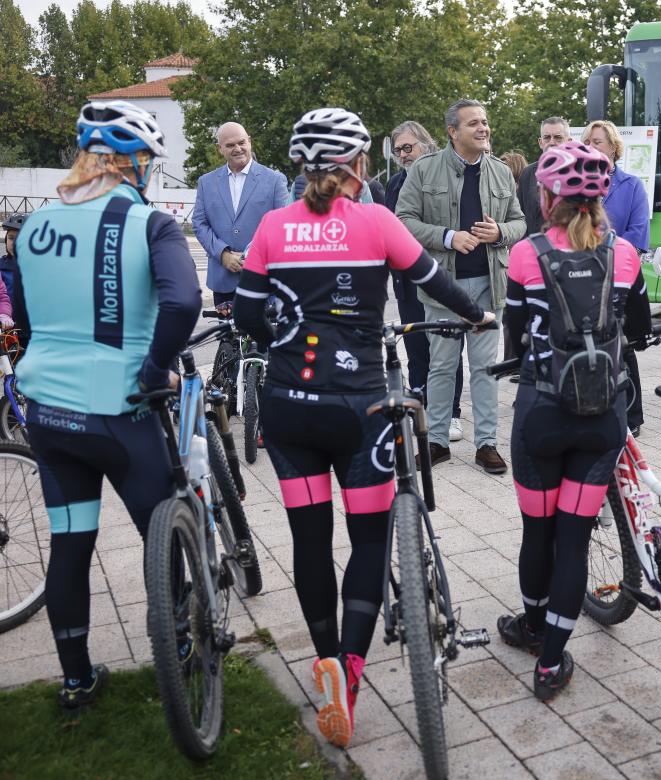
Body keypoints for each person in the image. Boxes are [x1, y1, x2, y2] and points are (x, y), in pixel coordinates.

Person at [233, 107, 493, 748]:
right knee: (369, 540)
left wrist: (288, 343)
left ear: (303, 167)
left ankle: (323, 663)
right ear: (356, 166)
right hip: (363, 410)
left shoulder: (272, 225)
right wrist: (481, 320)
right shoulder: (376, 220)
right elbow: (436, 282)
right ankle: (350, 672)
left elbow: (247, 317)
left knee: (309, 540)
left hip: (291, 410)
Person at [12, 100, 201, 709]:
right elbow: (181, 304)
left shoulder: (35, 224)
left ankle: (76, 679)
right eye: (147, 159)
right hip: (119, 409)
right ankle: (177, 651)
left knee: (71, 541)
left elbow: (29, 314)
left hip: (46, 409)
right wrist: (152, 372)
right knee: (162, 533)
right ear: (131, 161)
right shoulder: (148, 220)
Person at [496, 140, 651, 701]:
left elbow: (514, 332)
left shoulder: (525, 254)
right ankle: (552, 664)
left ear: (545, 196)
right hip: (601, 415)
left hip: (540, 412)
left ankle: (532, 627)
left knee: (537, 532)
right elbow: (635, 328)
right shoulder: (625, 253)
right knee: (575, 538)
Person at [395, 99, 526, 474]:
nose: (483, 129)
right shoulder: (423, 170)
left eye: (485, 122)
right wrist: (448, 237)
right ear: (452, 131)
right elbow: (402, 221)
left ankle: (486, 445)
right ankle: (436, 443)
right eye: (474, 124)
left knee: (485, 368)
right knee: (442, 367)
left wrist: (501, 232)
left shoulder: (501, 171)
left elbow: (520, 222)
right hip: (442, 287)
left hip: (489, 285)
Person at [383, 121, 466, 442]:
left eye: (409, 147)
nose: (403, 154)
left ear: (427, 145)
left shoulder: (444, 176)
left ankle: (453, 412)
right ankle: (422, 406)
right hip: (406, 279)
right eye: (399, 149)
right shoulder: (393, 184)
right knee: (416, 347)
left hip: (440, 274)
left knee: (446, 347)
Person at [582, 119, 651, 435]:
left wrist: (613, 260)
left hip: (619, 275)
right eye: (589, 141)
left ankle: (631, 415)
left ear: (613, 147)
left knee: (622, 346)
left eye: (599, 141)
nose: (593, 146)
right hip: (582, 275)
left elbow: (638, 233)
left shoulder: (631, 186)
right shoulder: (577, 185)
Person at [192, 122, 289, 307]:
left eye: (241, 142)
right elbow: (199, 223)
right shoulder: (206, 182)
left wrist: (252, 255)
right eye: (230, 145)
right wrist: (223, 254)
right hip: (222, 280)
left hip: (263, 280)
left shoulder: (275, 180)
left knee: (264, 336)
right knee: (227, 336)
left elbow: (282, 226)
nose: (237, 149)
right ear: (219, 148)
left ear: (250, 142)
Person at [517, 116, 572, 237]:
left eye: (558, 138)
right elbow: (519, 217)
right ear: (540, 142)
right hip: (534, 249)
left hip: (570, 249)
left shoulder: (578, 173)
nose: (552, 142)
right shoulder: (528, 174)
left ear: (569, 142)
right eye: (547, 138)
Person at [1, 212, 26, 296]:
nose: (14, 243)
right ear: (5, 240)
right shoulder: (1, 267)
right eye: (11, 238)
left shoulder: (37, 268)